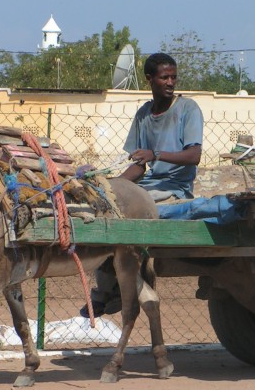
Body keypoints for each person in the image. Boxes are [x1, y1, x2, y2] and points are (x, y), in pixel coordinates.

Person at [80, 52, 204, 318]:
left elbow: (194, 156)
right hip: (146, 187)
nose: (170, 82)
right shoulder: (144, 115)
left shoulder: (187, 109)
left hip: (172, 190)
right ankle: (110, 288)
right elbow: (138, 165)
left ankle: (108, 293)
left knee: (124, 218)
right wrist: (111, 186)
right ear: (150, 79)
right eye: (164, 77)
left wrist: (156, 154)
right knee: (107, 206)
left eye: (173, 77)